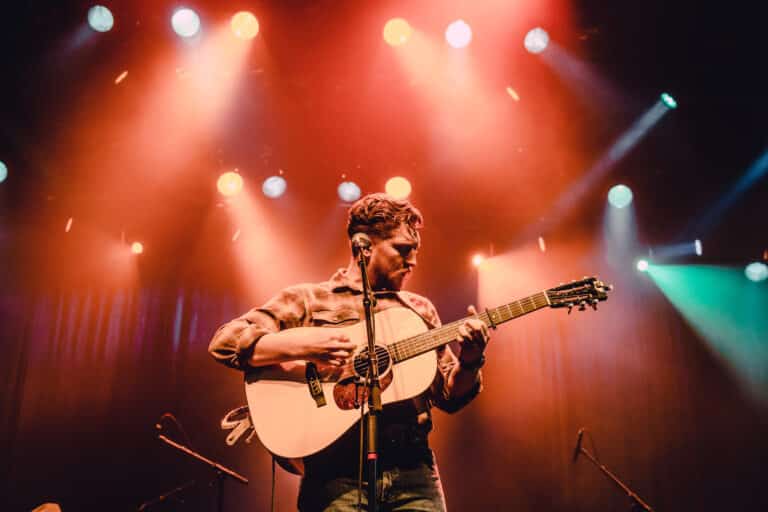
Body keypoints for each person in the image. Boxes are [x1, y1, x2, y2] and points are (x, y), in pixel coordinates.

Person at [208, 193, 490, 511]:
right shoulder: (308, 299)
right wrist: (305, 345)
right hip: (332, 472)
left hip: (413, 472)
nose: (412, 262)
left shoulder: (418, 309)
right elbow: (225, 341)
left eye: (415, 252)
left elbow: (450, 396)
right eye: (402, 250)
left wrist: (470, 360)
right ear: (364, 246)